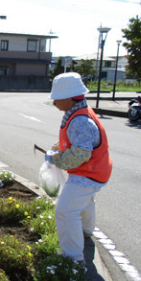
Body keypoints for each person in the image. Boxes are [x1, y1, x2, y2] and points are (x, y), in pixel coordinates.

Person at [45, 72, 112, 264]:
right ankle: (86, 231)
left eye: (56, 98)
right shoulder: (80, 113)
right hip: (99, 170)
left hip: (87, 173)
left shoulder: (79, 120)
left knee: (66, 211)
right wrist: (58, 149)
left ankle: (72, 258)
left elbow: (81, 154)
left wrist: (56, 159)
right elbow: (78, 143)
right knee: (86, 201)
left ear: (68, 97)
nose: (54, 102)